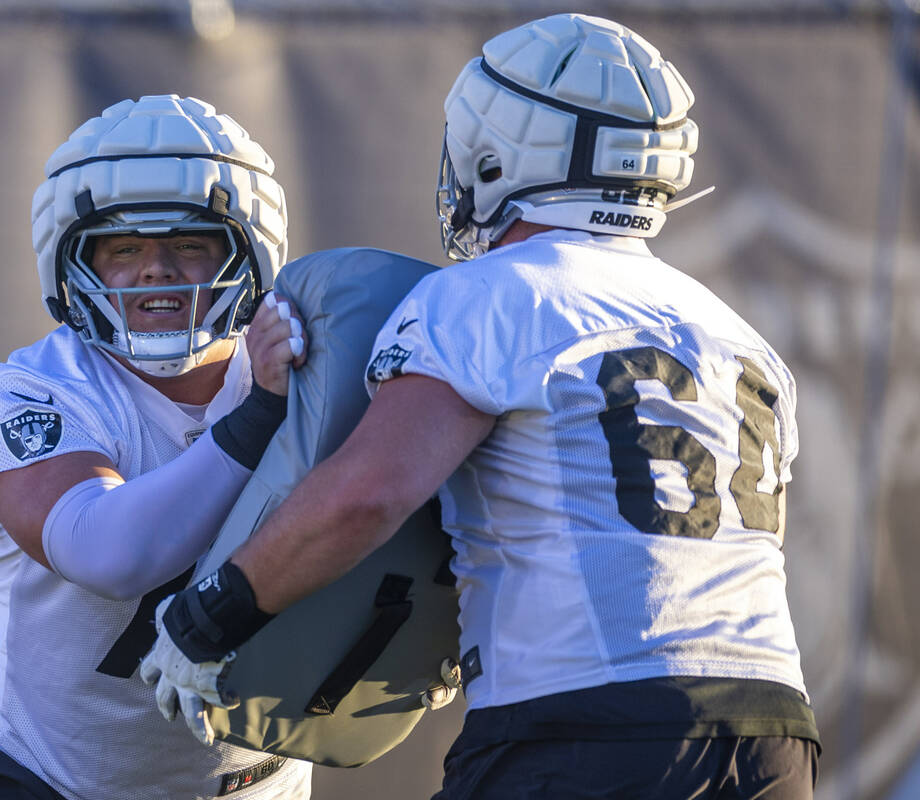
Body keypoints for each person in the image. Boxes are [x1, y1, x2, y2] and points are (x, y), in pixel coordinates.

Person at [140, 14, 821, 799]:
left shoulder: (489, 296)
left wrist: (210, 618)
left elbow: (368, 494)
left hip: (584, 727)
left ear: (498, 152)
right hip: (777, 735)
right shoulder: (738, 337)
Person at [0, 94, 312, 800]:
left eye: (189, 244)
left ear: (248, 251)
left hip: (254, 784)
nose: (155, 270)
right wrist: (262, 415)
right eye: (124, 248)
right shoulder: (30, 393)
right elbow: (109, 553)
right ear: (75, 264)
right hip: (41, 773)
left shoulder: (310, 365)